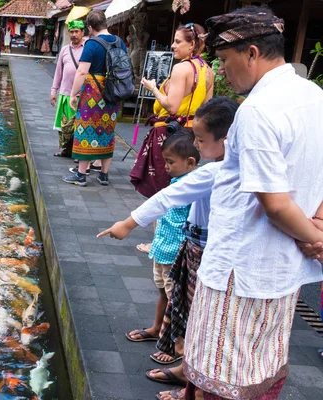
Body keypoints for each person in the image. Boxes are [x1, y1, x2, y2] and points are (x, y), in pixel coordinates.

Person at [182, 7, 323, 400]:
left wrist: (314, 237)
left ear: (252, 53)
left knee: (221, 376)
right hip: (283, 268)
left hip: (240, 267)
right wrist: (316, 230)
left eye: (225, 61)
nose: (223, 73)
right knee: (262, 367)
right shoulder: (314, 95)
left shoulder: (258, 110)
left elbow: (274, 203)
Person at [98, 97, 238, 400]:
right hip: (196, 248)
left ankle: (194, 387)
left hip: (209, 256)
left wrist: (128, 223)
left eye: (200, 140)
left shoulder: (214, 172)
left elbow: (167, 198)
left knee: (201, 321)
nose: (197, 147)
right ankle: (188, 372)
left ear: (225, 139)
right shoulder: (222, 168)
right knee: (190, 312)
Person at [103, 131, 200, 341]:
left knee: (177, 299)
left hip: (176, 253)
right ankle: (157, 328)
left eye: (170, 162)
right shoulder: (176, 182)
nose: (166, 167)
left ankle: (179, 342)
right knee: (164, 292)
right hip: (162, 249)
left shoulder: (193, 187)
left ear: (190, 163)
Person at [130, 23, 213, 198]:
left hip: (169, 134)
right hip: (190, 135)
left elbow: (172, 106)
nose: (173, 46)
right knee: (182, 189)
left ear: (191, 45)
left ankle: (160, 225)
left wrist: (153, 89)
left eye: (177, 41)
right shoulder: (207, 70)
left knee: (161, 192)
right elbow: (206, 107)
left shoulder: (181, 68)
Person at [62, 10, 124, 186]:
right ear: (105, 23)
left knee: (85, 129)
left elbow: (82, 71)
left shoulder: (91, 44)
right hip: (113, 91)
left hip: (93, 93)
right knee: (107, 130)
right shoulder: (119, 42)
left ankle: (81, 174)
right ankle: (103, 174)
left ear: (89, 27)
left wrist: (73, 94)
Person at [50, 20, 85, 158]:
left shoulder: (87, 49)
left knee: (79, 126)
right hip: (65, 94)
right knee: (63, 125)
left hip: (80, 95)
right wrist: (54, 91)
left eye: (77, 31)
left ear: (82, 32)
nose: (74, 34)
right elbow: (58, 72)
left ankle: (78, 152)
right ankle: (65, 149)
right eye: (71, 32)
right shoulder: (64, 50)